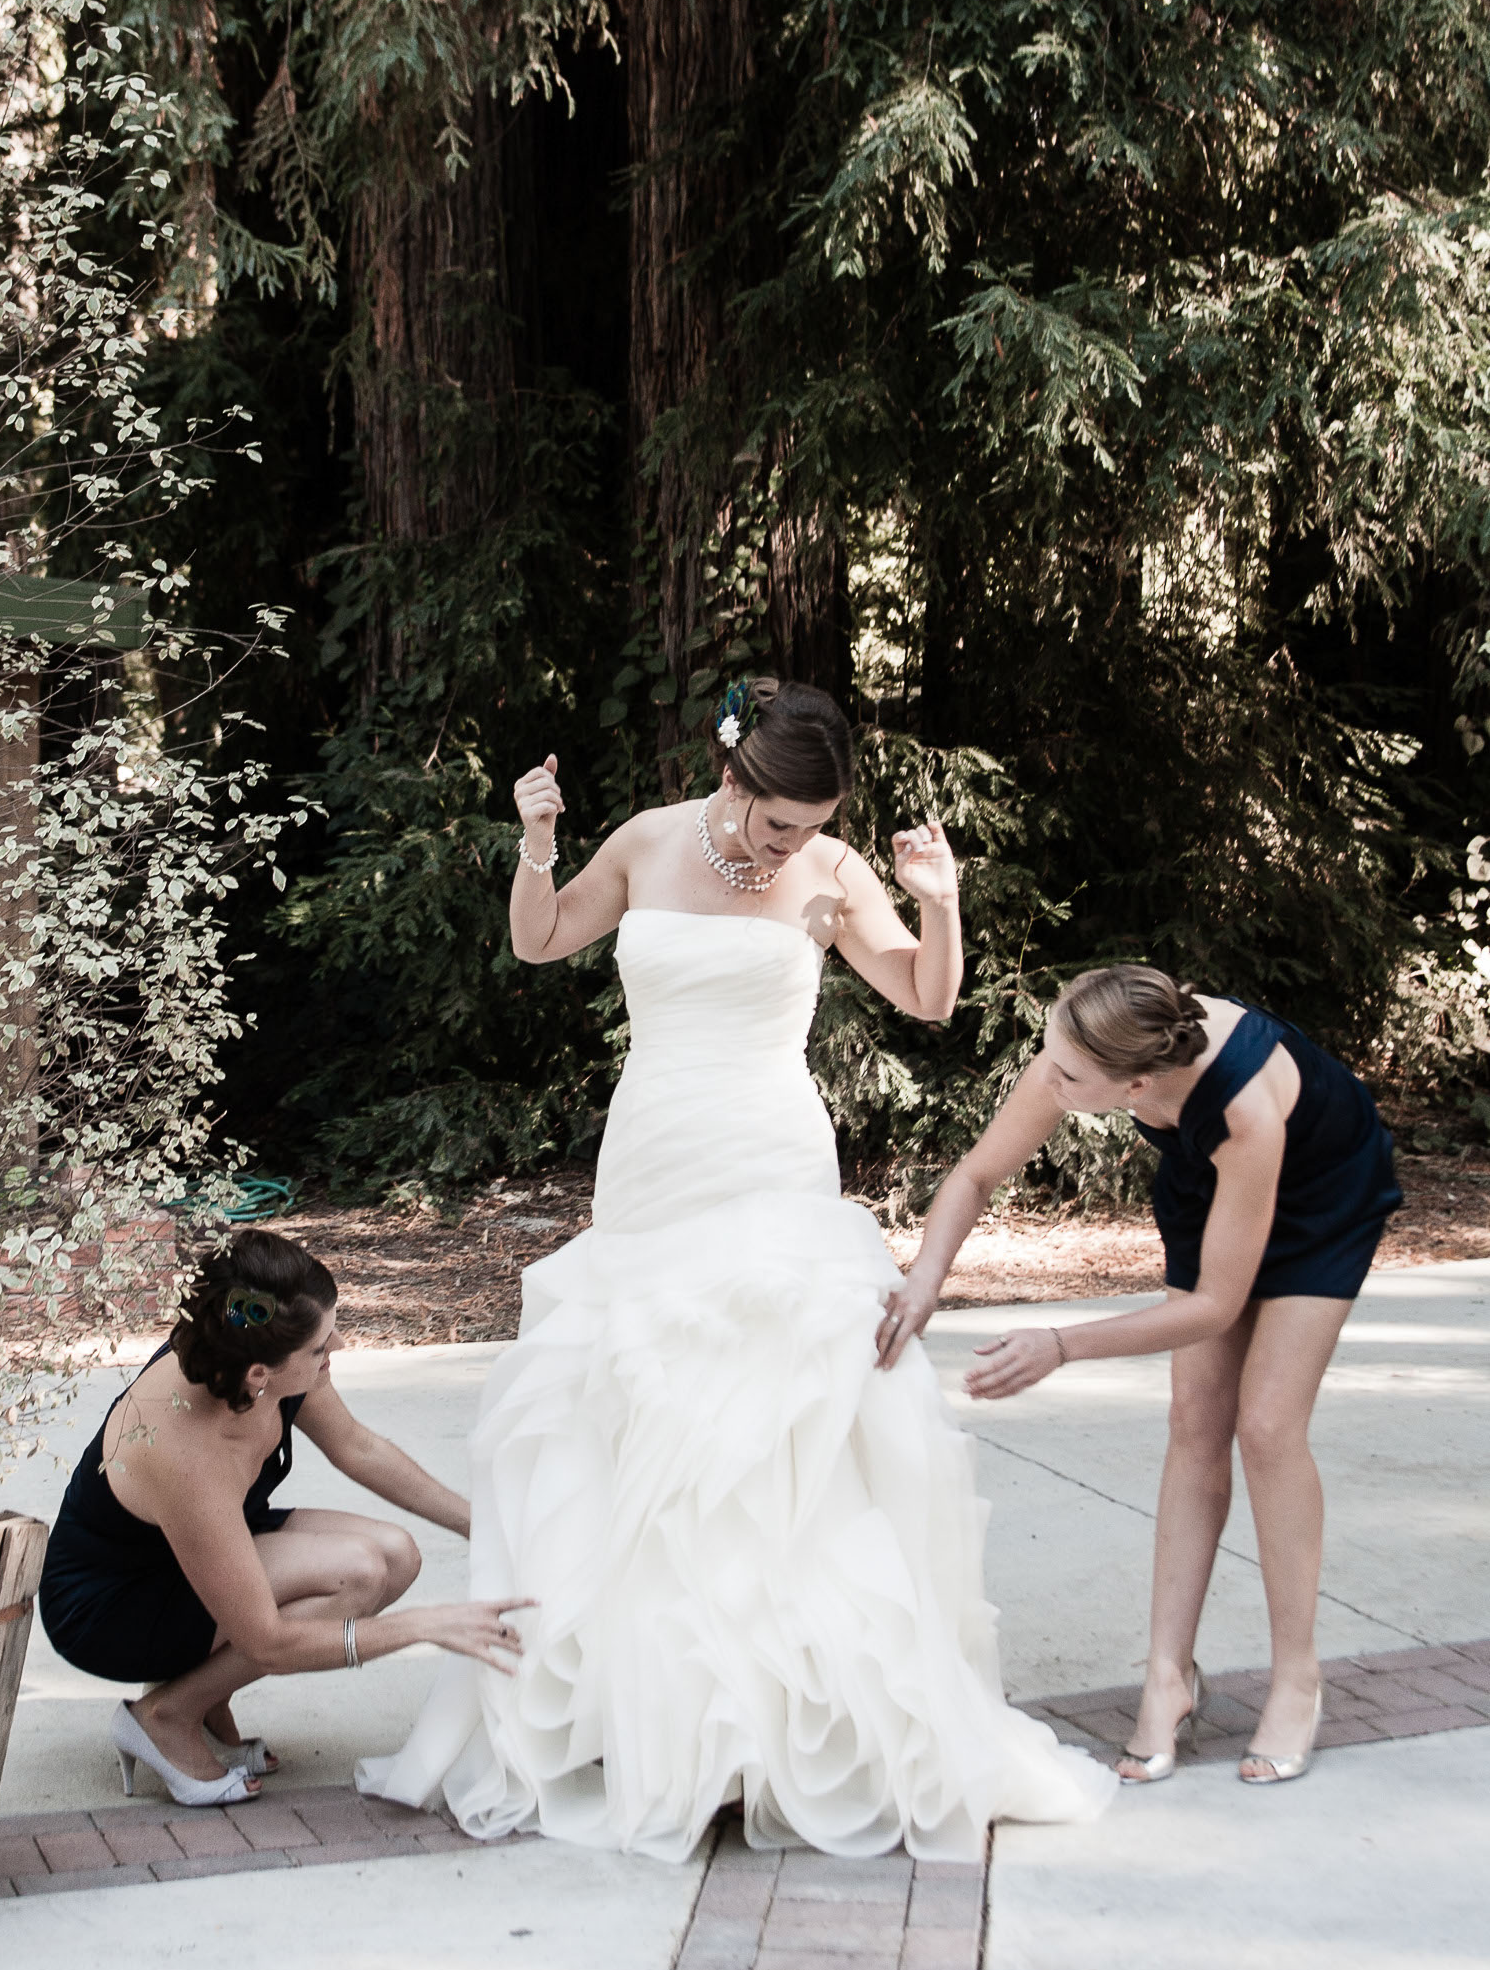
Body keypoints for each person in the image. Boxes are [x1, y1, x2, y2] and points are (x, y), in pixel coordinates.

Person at [355, 677, 1112, 1859]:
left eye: (811, 826)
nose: (790, 844)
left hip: (771, 1152)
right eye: (776, 822)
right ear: (730, 773)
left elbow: (926, 995)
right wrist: (537, 839)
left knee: (778, 1421)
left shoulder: (832, 869)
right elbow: (537, 938)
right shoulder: (646, 841)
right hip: (655, 1154)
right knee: (645, 1404)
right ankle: (655, 1717)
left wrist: (940, 902)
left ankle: (772, 1729)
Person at [876, 966, 1401, 1789]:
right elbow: (978, 1172)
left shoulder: (1244, 1107)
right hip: (1208, 1187)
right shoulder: (1090, 1037)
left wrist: (1060, 1344)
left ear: (1137, 1087)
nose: (1048, 1082)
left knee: (1266, 1424)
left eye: (1067, 1078)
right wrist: (923, 1280)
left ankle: (1296, 1678)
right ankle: (1167, 1675)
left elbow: (1215, 1307)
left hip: (1323, 1190)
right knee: (1193, 1419)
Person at [39, 1228, 529, 1805]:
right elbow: (269, 1644)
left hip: (195, 1545)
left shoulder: (256, 1345)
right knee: (359, 1572)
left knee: (396, 1555)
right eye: (322, 1347)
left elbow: (356, 1447)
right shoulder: (186, 1450)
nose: (339, 1346)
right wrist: (426, 1627)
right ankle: (167, 1716)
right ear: (258, 1375)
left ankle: (200, 1693)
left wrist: (482, 1524)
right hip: (113, 1605)